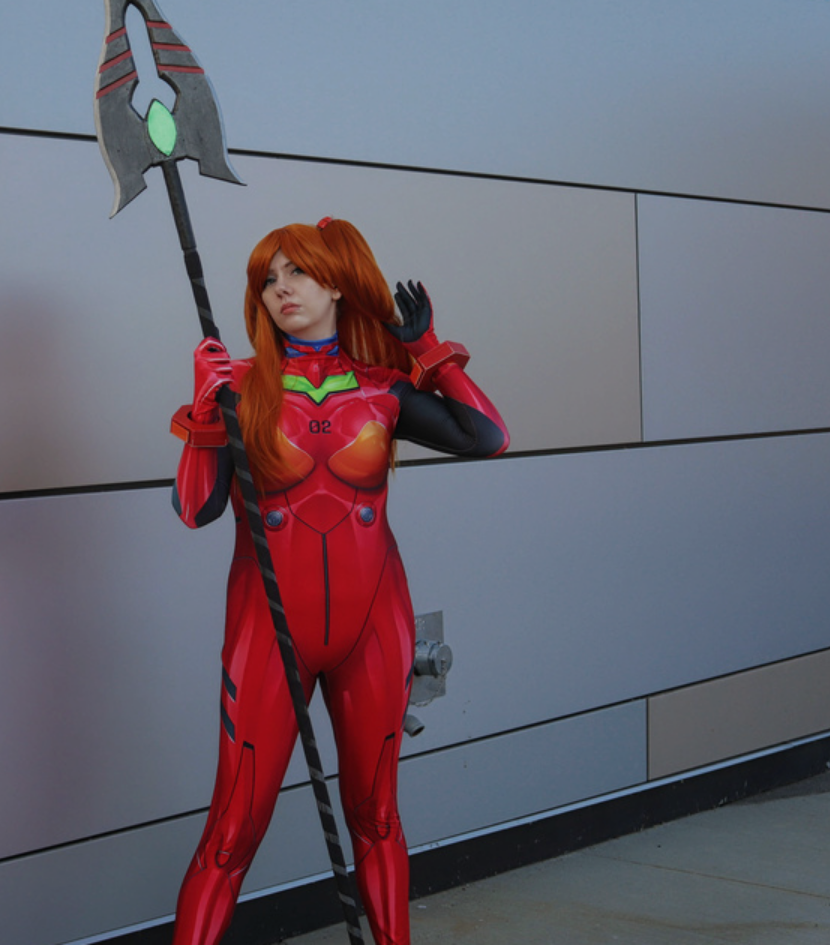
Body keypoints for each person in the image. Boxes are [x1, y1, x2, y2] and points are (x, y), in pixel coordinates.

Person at [167, 218, 507, 944]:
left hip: (372, 627)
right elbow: (196, 509)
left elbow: (486, 437)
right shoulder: (241, 387)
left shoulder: (382, 391)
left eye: (298, 272)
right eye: (268, 279)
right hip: (269, 632)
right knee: (231, 834)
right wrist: (203, 410)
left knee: (377, 819)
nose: (281, 289)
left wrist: (426, 350)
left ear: (338, 284)